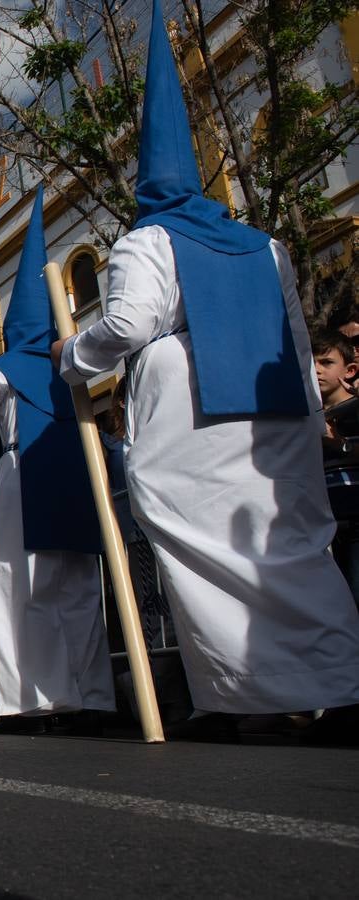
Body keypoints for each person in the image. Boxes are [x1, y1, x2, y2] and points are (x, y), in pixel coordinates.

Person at [54, 0, 359, 743]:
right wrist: (317, 423)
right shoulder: (268, 246)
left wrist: (73, 358)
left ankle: (244, 695)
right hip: (278, 419)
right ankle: (339, 686)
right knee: (291, 550)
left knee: (199, 548)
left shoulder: (146, 240)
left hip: (196, 423)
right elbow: (292, 335)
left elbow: (125, 325)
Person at [0, 189, 114, 730]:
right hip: (74, 476)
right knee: (80, 593)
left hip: (21, 478)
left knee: (15, 590)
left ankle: (32, 697)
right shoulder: (72, 359)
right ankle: (90, 696)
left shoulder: (11, 365)